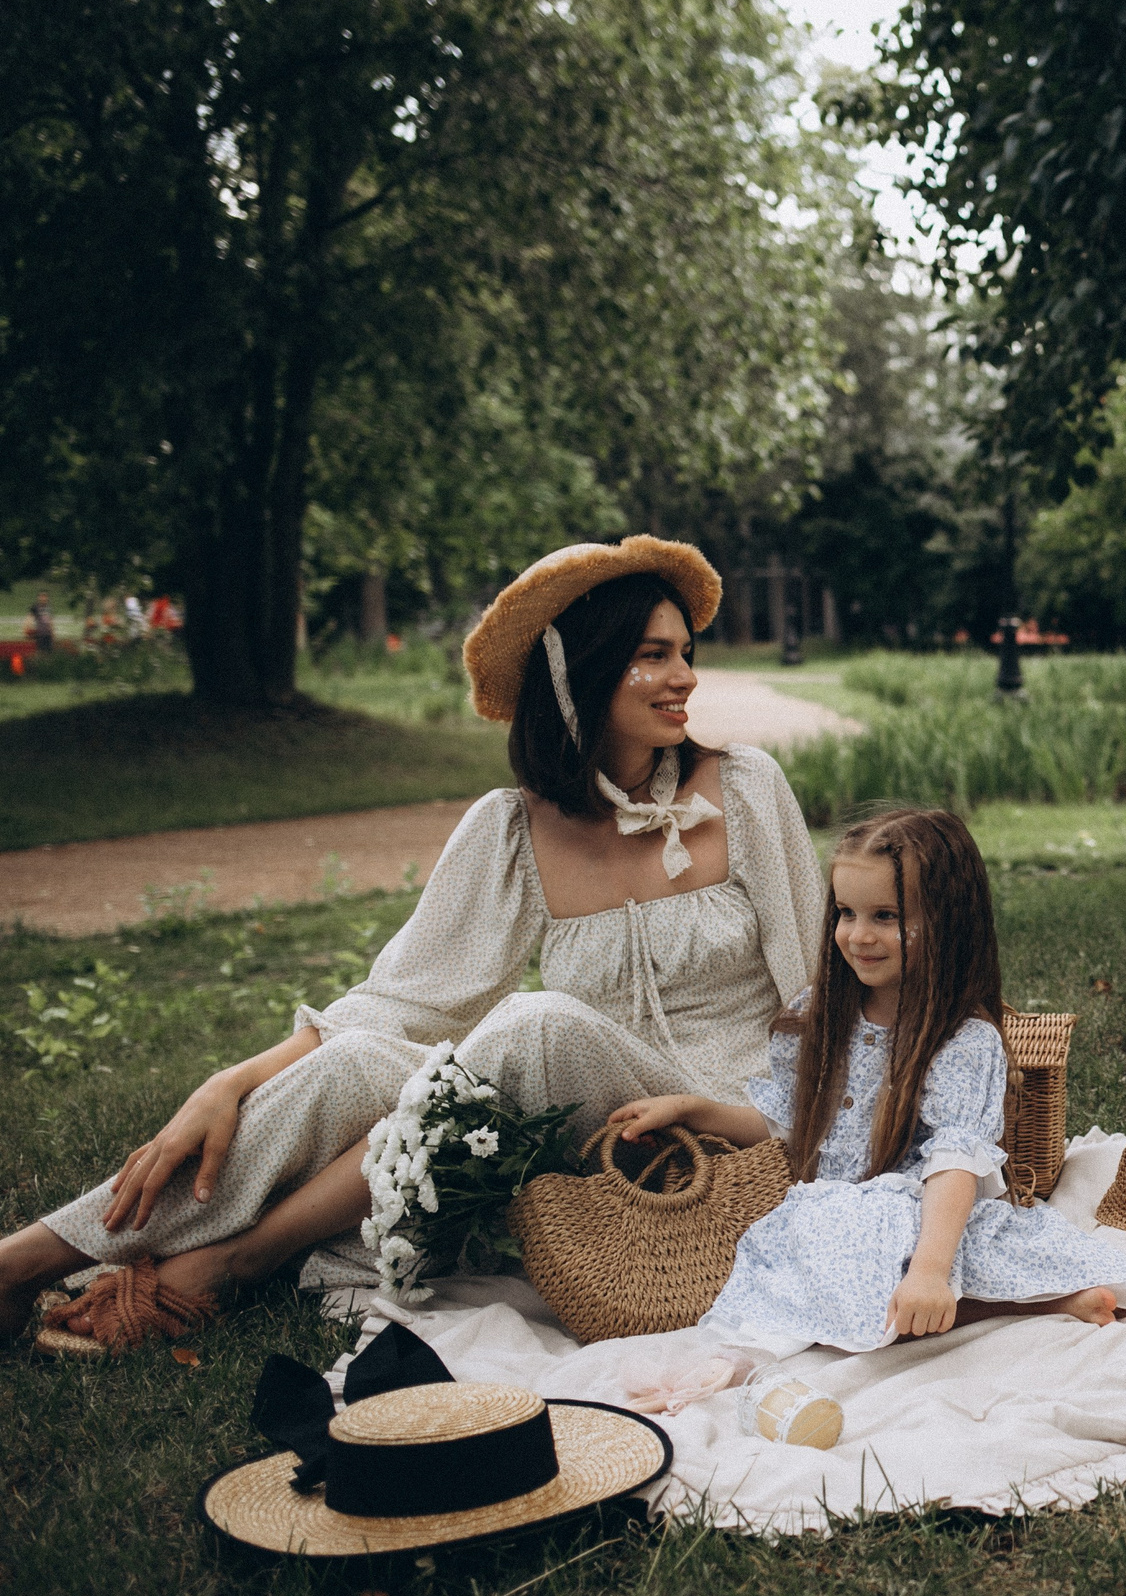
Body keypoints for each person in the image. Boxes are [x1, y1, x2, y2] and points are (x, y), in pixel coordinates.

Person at [0, 536, 824, 1350]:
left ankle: (243, 1258)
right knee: (357, 1063)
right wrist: (231, 1079)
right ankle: (29, 1259)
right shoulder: (513, 829)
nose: (685, 676)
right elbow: (399, 1002)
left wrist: (787, 1128)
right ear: (584, 667)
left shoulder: (745, 789)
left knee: (536, 1025)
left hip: (731, 1131)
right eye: (654, 654)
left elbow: (825, 993)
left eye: (686, 652)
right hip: (594, 1144)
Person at [616, 806, 1126, 1353]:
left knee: (955, 1253)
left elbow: (954, 1164)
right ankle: (1002, 1304)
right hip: (841, 1219)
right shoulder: (821, 1016)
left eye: (886, 917)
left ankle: (1004, 1301)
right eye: (847, 913)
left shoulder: (961, 1039)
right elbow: (792, 1126)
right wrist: (693, 1109)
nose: (859, 935)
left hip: (933, 1219)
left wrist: (930, 1271)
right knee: (815, 1248)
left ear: (947, 921)